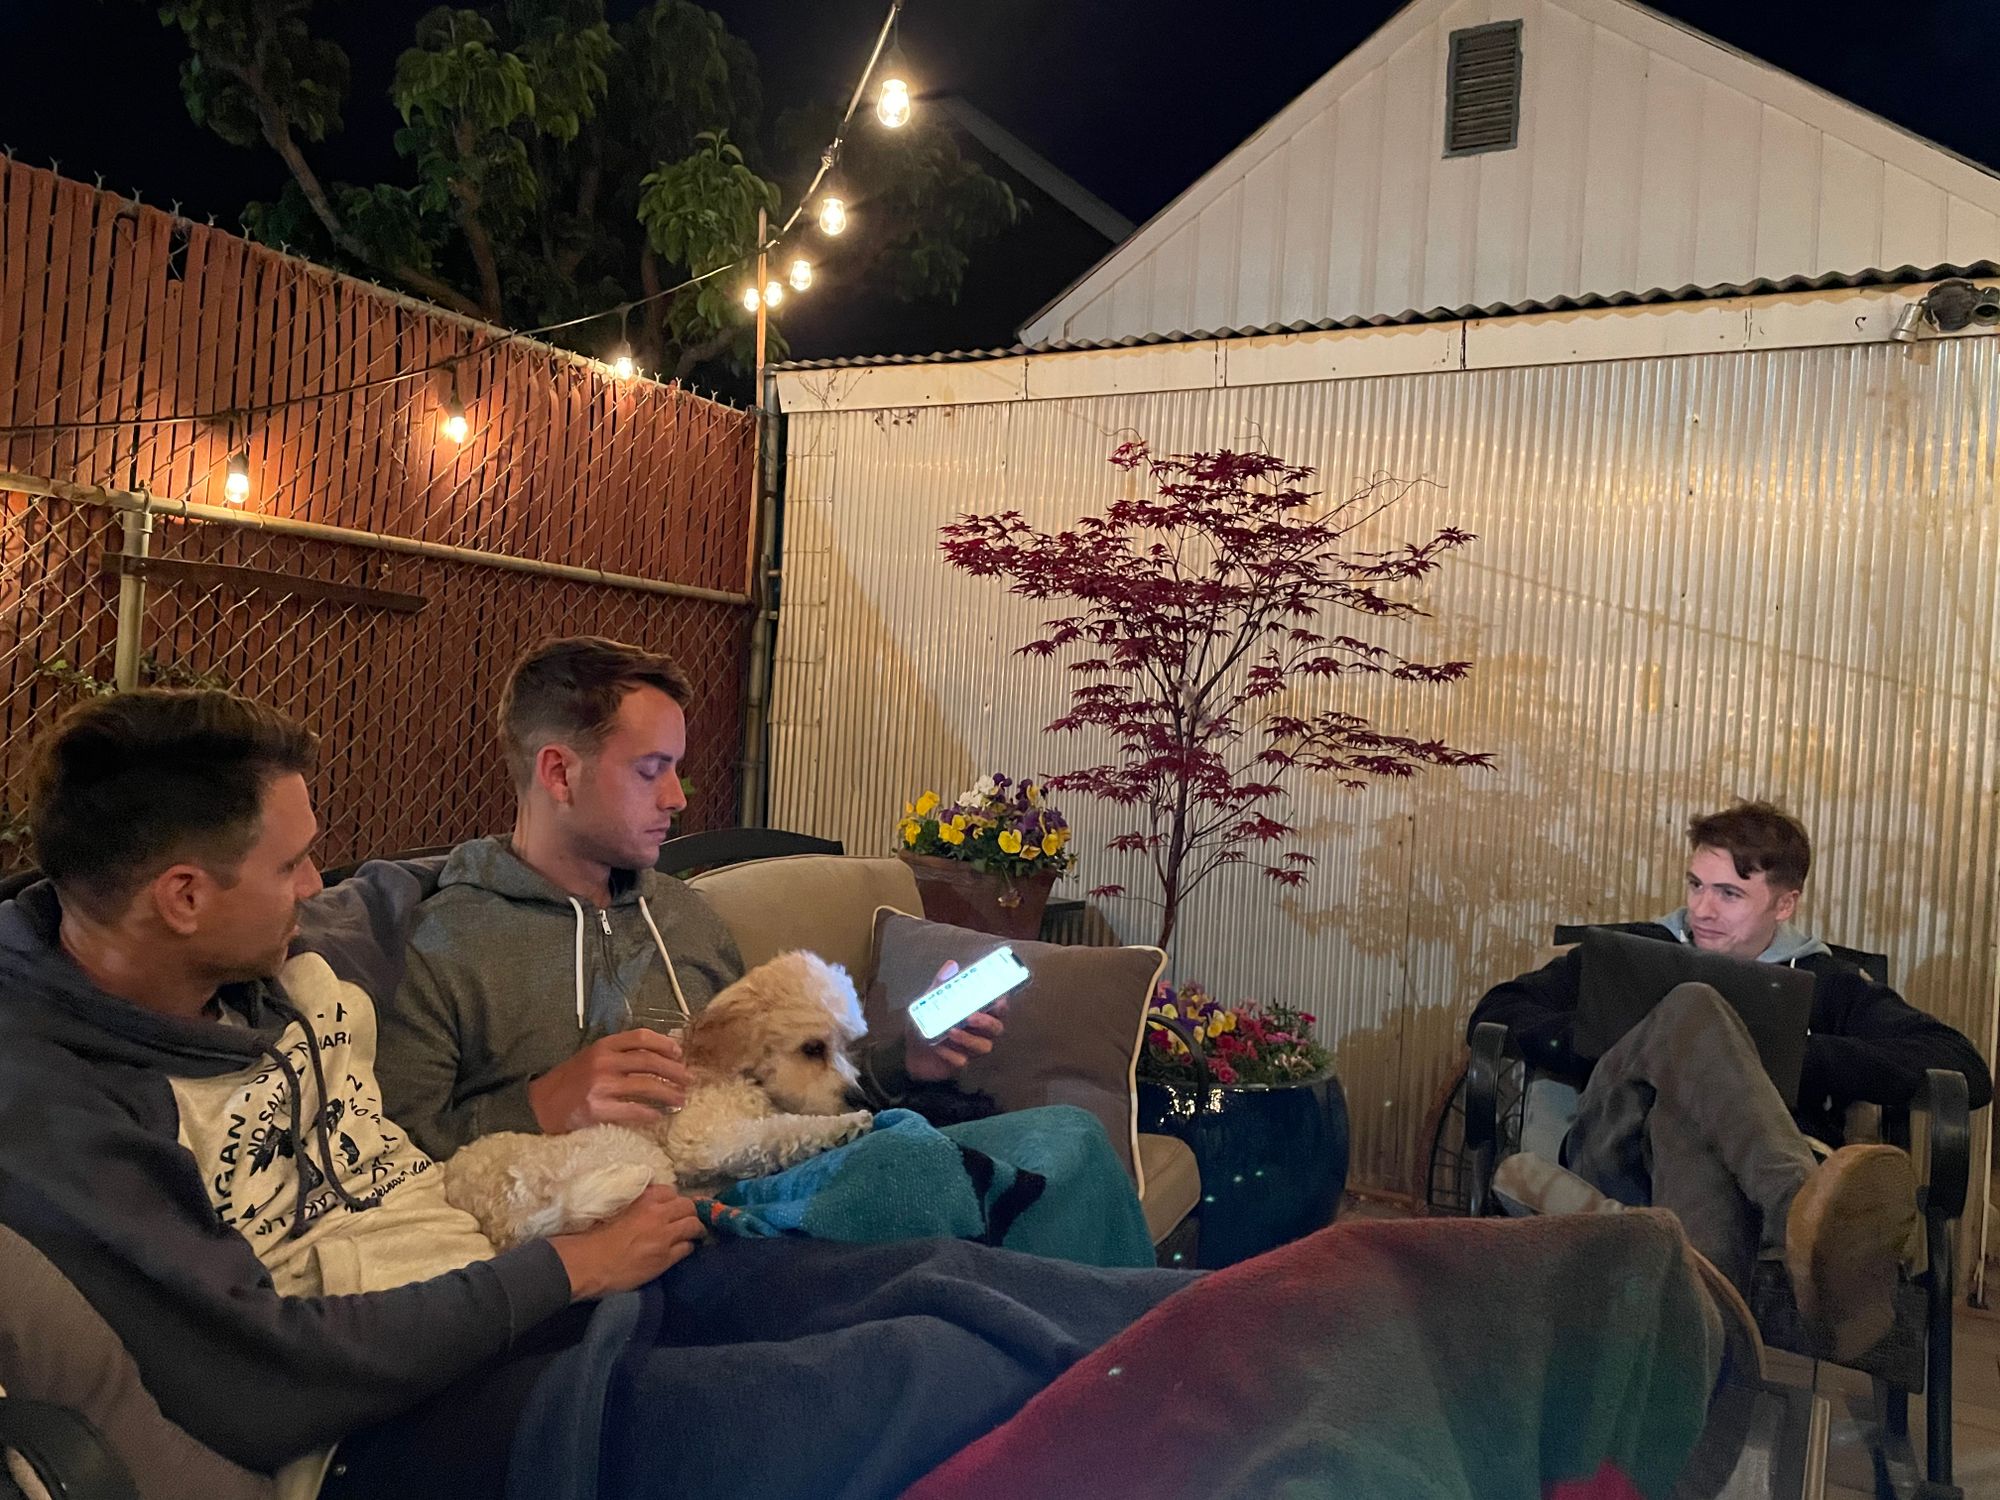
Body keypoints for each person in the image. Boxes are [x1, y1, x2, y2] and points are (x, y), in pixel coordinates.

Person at [0, 689, 1191, 1500]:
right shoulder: (65, 1107)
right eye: (293, 863)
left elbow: (759, 1066)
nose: (323, 885)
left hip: (579, 1259)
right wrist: (552, 1195)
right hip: (444, 1380)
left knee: (958, 1285)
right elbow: (261, 1373)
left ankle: (1225, 1354)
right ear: (182, 897)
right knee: (931, 1363)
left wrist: (888, 1064)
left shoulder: (292, 968)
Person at [377, 636, 1002, 1164]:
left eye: (676, 768)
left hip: (755, 1201)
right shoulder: (442, 945)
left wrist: (908, 1061)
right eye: (651, 770)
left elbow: (776, 1095)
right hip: (601, 1229)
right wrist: (538, 1107)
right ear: (560, 773)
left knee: (1035, 1143)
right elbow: (386, 1159)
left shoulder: (686, 919)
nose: (677, 798)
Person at [1468, 800, 1991, 1361]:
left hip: (1728, 1184)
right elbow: (1497, 1011)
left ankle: (1690, 1348)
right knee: (1693, 1004)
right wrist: (1629, 1037)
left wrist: (1781, 1057)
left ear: (1785, 903)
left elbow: (1962, 1066)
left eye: (1729, 894)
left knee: (1685, 1125)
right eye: (1696, 885)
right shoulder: (1634, 953)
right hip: (1612, 1145)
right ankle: (1803, 1213)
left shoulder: (1828, 983)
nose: (1702, 909)